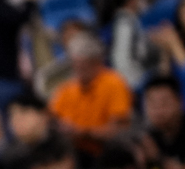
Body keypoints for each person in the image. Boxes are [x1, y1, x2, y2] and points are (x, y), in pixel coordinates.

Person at [48, 30, 134, 158]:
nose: (79, 70)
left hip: (108, 151)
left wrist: (83, 132)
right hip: (75, 152)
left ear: (97, 62)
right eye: (76, 65)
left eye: (84, 65)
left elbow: (118, 129)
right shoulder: (66, 88)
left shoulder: (114, 83)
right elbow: (51, 119)